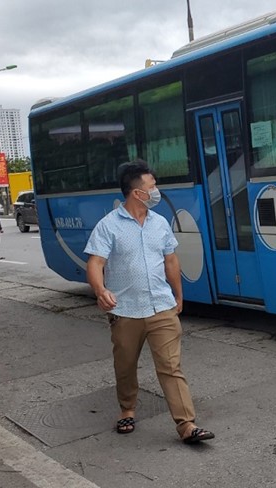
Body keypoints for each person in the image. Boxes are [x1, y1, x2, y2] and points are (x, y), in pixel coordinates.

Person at [84, 160, 214, 445]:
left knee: (171, 367)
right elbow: (95, 262)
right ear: (136, 193)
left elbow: (170, 259)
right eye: (152, 186)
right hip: (126, 310)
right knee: (126, 365)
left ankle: (186, 425)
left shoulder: (160, 222)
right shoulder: (109, 226)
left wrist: (178, 295)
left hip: (161, 306)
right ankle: (127, 409)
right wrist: (100, 289)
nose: (156, 191)